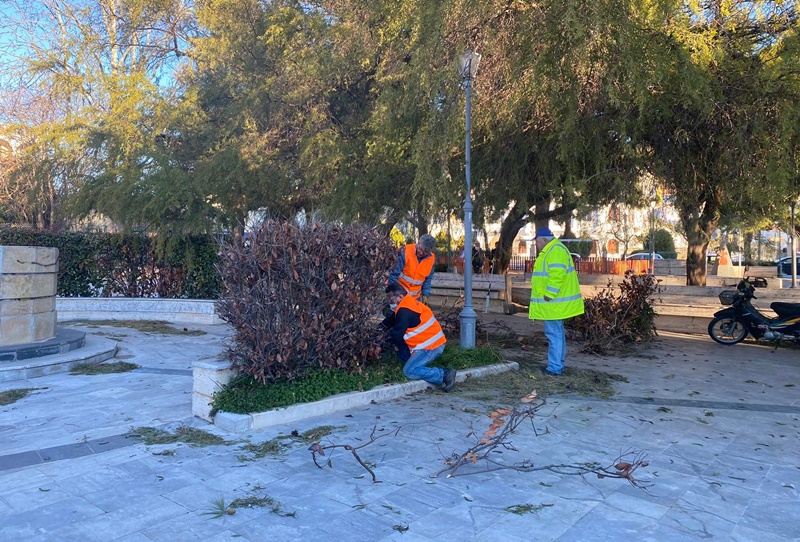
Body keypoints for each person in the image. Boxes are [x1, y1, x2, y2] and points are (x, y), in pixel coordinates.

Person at [529, 227, 585, 376]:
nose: (536, 245)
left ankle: (554, 368)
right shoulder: (554, 250)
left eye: (537, 241)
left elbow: (557, 275)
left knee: (554, 334)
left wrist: (549, 294)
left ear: (543, 240)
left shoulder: (554, 251)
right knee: (556, 333)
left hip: (554, 303)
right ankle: (557, 365)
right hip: (555, 303)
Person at [382, 283, 456, 392]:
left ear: (400, 297)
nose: (390, 303)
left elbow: (396, 335)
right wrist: (376, 331)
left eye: (391, 299)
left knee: (409, 371)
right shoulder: (407, 303)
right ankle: (416, 364)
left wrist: (380, 344)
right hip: (430, 343)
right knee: (400, 346)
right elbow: (390, 321)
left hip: (430, 347)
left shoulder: (404, 311)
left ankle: (444, 374)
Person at [388, 234, 436, 303]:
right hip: (399, 295)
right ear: (418, 243)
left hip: (415, 298)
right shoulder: (405, 251)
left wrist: (425, 295)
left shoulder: (431, 260)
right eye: (420, 249)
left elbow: (428, 280)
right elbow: (393, 274)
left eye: (424, 252)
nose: (421, 252)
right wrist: (394, 293)